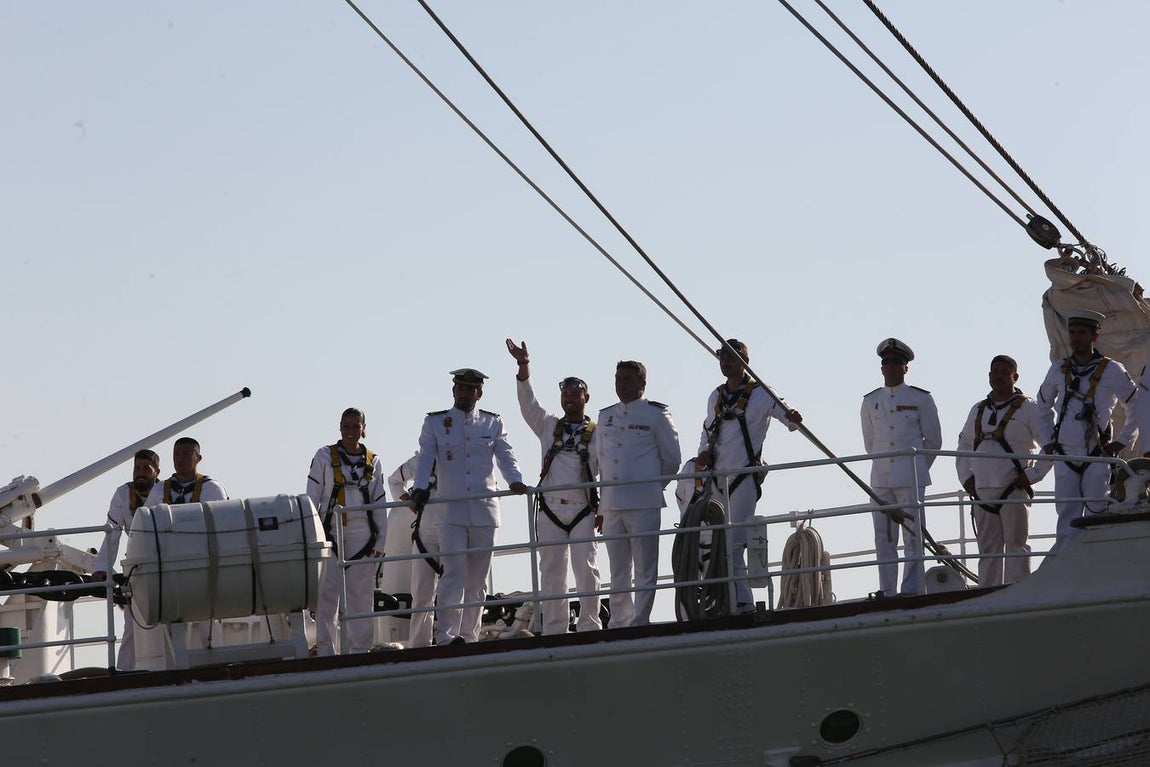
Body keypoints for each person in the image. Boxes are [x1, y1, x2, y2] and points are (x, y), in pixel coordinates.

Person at [410, 369, 528, 645]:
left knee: (477, 581)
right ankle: (447, 635)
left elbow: (506, 456)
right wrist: (420, 487)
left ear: (479, 393)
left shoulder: (492, 423)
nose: (463, 394)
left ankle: (469, 634)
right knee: (453, 572)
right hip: (450, 511)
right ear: (454, 391)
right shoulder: (436, 423)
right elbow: (426, 457)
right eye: (460, 388)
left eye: (469, 389)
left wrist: (516, 480)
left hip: (484, 510)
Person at [694, 339, 801, 612]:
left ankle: (742, 601)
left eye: (732, 357)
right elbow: (707, 434)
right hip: (716, 478)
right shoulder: (716, 396)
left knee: (735, 542)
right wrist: (703, 455)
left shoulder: (762, 394)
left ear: (745, 361)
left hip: (743, 477)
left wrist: (793, 418)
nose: (726, 362)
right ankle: (725, 599)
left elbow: (787, 416)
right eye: (722, 357)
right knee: (713, 543)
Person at [506, 339, 603, 635]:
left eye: (576, 393)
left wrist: (606, 509)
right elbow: (528, 404)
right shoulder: (548, 426)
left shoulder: (599, 434)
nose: (570, 398)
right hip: (549, 509)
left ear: (586, 397)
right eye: (566, 393)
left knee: (586, 571)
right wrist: (523, 367)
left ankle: (590, 626)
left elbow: (609, 472)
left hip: (583, 509)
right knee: (551, 573)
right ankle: (555, 630)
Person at [1037, 310, 1138, 554]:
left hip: (1096, 454)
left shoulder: (1112, 370)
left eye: (1082, 333)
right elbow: (1042, 406)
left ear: (1095, 336)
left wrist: (1122, 441)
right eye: (1072, 333)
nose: (1075, 338)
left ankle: (1098, 559)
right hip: (1065, 454)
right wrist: (1048, 440)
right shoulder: (1059, 368)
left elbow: (1136, 405)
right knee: (1067, 515)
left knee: (1097, 511)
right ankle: (1065, 564)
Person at [595, 360, 681, 628]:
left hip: (644, 501)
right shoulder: (605, 415)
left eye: (627, 379)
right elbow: (601, 458)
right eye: (618, 378)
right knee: (618, 569)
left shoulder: (656, 414)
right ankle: (620, 620)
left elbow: (672, 459)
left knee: (645, 567)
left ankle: (640, 620)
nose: (621, 384)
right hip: (611, 503)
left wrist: (653, 487)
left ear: (642, 384)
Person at [956, 355, 1053, 586]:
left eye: (1004, 371)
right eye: (994, 372)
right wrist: (966, 477)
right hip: (982, 490)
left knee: (1016, 545)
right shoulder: (978, 409)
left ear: (1015, 377)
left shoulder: (1029, 408)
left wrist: (1032, 475)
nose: (998, 376)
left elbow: (1050, 447)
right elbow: (963, 446)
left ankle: (1020, 591)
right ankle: (988, 593)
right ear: (989, 377)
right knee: (988, 549)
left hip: (1013, 489)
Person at [860, 339, 941, 596]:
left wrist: (916, 467)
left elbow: (934, 441)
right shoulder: (870, 401)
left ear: (906, 368)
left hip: (910, 477)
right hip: (881, 478)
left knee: (913, 536)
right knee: (883, 538)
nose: (890, 367)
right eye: (886, 363)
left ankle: (912, 590)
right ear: (881, 368)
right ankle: (888, 590)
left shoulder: (921, 399)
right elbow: (870, 442)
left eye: (896, 363)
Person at [306, 408, 387, 656]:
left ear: (364, 429)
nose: (351, 431)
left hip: (362, 537)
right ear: (339, 427)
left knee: (361, 598)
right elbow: (312, 498)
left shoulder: (373, 461)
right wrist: (312, 537)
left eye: (355, 426)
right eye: (346, 426)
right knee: (327, 598)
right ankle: (326, 651)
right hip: (329, 534)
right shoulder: (323, 456)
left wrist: (381, 542)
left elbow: (380, 505)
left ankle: (359, 651)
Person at [91, 449, 161, 670]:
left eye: (145, 469)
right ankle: (124, 672)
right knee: (131, 624)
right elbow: (112, 532)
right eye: (137, 469)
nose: (140, 473)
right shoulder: (123, 494)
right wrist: (102, 567)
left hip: (162, 562)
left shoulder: (164, 491)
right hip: (136, 565)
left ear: (156, 471)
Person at [388, 451, 441, 648]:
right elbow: (394, 481)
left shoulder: (463, 460)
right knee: (422, 590)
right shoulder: (420, 461)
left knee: (453, 588)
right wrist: (409, 501)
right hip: (426, 531)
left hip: (455, 529)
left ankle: (449, 637)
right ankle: (420, 643)